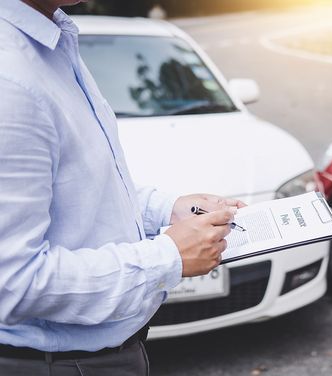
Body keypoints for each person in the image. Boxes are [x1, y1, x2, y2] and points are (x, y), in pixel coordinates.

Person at [0, 0, 244, 374]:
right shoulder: (10, 79)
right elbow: (11, 283)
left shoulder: (54, 40)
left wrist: (166, 208)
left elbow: (79, 188)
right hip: (60, 365)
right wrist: (168, 257)